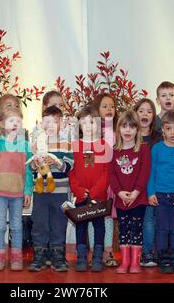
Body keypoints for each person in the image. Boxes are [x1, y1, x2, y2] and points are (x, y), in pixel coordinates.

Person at [0, 106, 33, 271]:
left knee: (16, 225)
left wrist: (28, 191)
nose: (15, 124)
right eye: (11, 120)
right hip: (0, 193)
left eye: (18, 121)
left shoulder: (25, 145)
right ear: (1, 123)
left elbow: (28, 170)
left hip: (18, 193)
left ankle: (16, 256)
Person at [28, 105, 73, 272]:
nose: (50, 126)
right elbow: (31, 168)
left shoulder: (66, 144)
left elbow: (69, 167)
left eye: (55, 122)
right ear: (41, 124)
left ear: (61, 123)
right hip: (40, 192)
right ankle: (39, 254)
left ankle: (58, 254)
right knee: (39, 223)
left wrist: (56, 162)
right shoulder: (37, 143)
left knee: (59, 223)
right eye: (47, 122)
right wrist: (36, 162)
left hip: (60, 192)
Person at [147, 110, 174, 274]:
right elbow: (151, 172)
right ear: (163, 130)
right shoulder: (157, 149)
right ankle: (163, 257)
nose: (172, 132)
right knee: (162, 228)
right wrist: (151, 192)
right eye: (168, 128)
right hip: (159, 196)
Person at [68, 106, 110, 272]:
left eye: (91, 122)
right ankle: (81, 257)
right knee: (81, 226)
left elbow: (106, 172)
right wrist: (78, 190)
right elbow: (72, 172)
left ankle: (98, 257)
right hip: (81, 195)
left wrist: (95, 191)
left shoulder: (103, 145)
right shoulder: (75, 145)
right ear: (78, 125)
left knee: (99, 226)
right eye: (83, 122)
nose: (87, 125)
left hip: (98, 196)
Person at [109, 110, 151, 273]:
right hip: (121, 199)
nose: (127, 130)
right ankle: (125, 261)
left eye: (132, 127)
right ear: (119, 129)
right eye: (124, 126)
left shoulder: (143, 150)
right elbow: (111, 174)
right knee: (124, 229)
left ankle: (135, 262)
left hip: (138, 198)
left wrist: (135, 192)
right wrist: (119, 192)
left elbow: (144, 172)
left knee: (136, 228)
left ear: (137, 129)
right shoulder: (114, 150)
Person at [89, 93, 119, 268]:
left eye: (112, 106)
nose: (109, 109)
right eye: (105, 106)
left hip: (111, 183)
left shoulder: (117, 133)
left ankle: (107, 250)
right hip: (94, 182)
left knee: (107, 216)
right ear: (96, 110)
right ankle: (95, 251)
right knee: (94, 216)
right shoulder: (91, 132)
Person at [133, 98, 161, 267]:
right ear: (135, 113)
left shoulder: (158, 138)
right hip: (135, 186)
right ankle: (141, 252)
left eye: (149, 111)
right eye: (141, 110)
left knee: (153, 219)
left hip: (155, 185)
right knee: (141, 220)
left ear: (153, 116)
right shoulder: (130, 135)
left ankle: (153, 251)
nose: (145, 114)